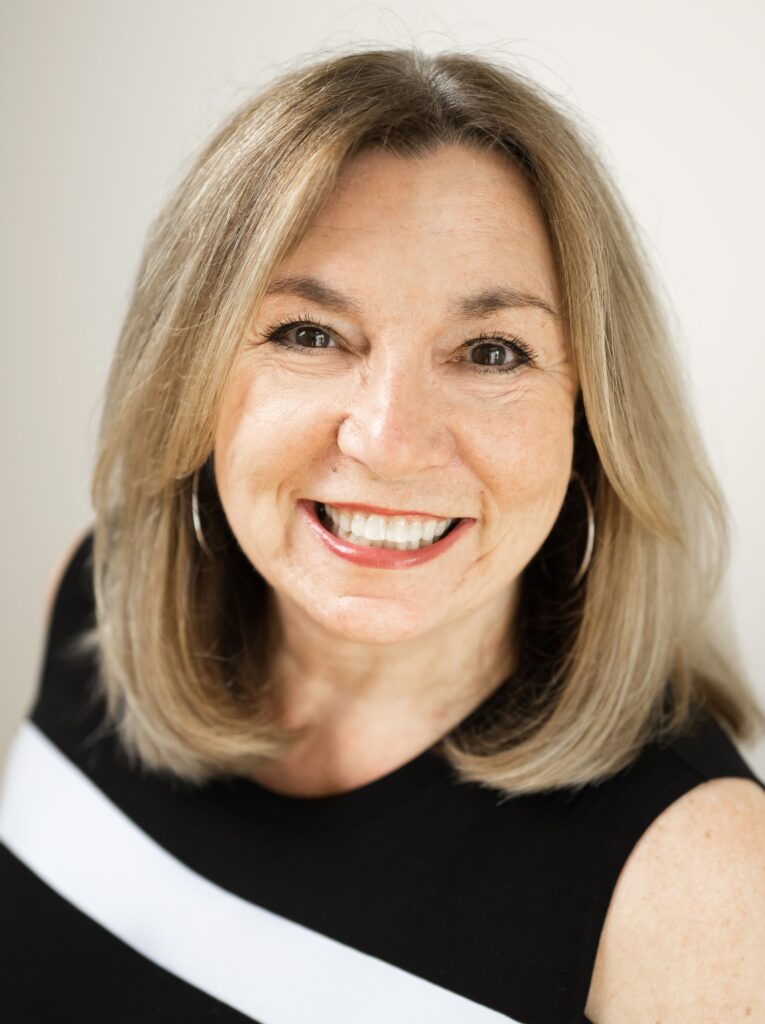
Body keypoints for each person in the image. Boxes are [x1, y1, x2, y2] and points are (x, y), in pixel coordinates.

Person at [1, 45, 764, 1024]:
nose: (390, 440)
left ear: (591, 423)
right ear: (190, 378)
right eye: (310, 334)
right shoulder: (93, 602)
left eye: (492, 351)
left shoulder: (696, 874)